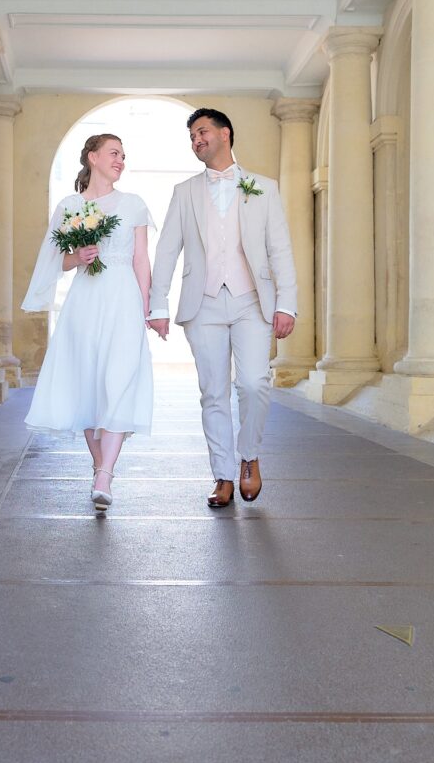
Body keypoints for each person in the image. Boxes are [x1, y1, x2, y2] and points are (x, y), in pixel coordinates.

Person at [147, 108, 296, 508]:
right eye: (192, 136)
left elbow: (279, 249)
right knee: (212, 393)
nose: (196, 140)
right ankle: (223, 475)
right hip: (204, 303)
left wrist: (288, 304)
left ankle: (249, 457)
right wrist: (157, 304)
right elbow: (166, 251)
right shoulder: (184, 192)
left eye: (202, 132)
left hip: (252, 301)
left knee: (253, 384)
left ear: (225, 134)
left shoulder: (263, 187)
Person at [22, 133, 153, 510]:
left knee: (119, 378)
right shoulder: (70, 205)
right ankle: (101, 466)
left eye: (124, 156)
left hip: (123, 298)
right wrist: (77, 255)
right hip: (84, 301)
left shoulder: (133, 205)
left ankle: (105, 474)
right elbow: (55, 262)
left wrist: (146, 306)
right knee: (88, 383)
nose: (121, 161)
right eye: (114, 153)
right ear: (92, 157)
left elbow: (141, 260)